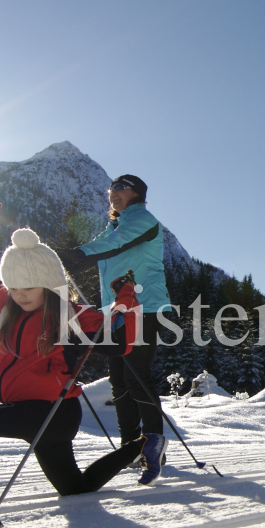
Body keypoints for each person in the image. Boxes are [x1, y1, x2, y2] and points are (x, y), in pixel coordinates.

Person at [0, 211, 167, 526]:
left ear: (49, 282)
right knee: (74, 488)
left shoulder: (70, 314)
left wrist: (126, 299)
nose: (21, 294)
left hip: (55, 412)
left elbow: (121, 342)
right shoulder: (6, 303)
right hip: (23, 408)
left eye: (30, 286)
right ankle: (140, 446)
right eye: (14, 286)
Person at [57, 175, 169, 449]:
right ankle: (130, 445)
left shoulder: (142, 221)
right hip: (117, 311)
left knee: (136, 375)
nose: (113, 193)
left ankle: (153, 442)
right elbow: (103, 247)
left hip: (146, 307)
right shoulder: (114, 226)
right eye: (111, 188)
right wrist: (69, 261)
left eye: (121, 188)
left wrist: (75, 255)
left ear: (138, 194)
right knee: (119, 381)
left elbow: (116, 244)